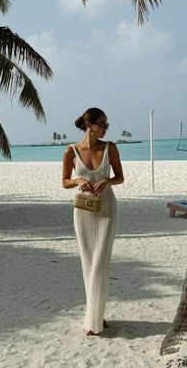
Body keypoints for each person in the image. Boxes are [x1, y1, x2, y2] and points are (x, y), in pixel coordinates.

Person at [62, 107, 124, 336]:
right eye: (102, 124)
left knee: (100, 262)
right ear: (90, 124)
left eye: (107, 124)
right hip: (83, 212)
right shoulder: (70, 151)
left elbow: (120, 177)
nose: (105, 128)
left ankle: (94, 318)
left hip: (107, 209)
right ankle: (96, 315)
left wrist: (107, 181)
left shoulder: (111, 148)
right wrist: (77, 179)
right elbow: (64, 182)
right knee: (88, 263)